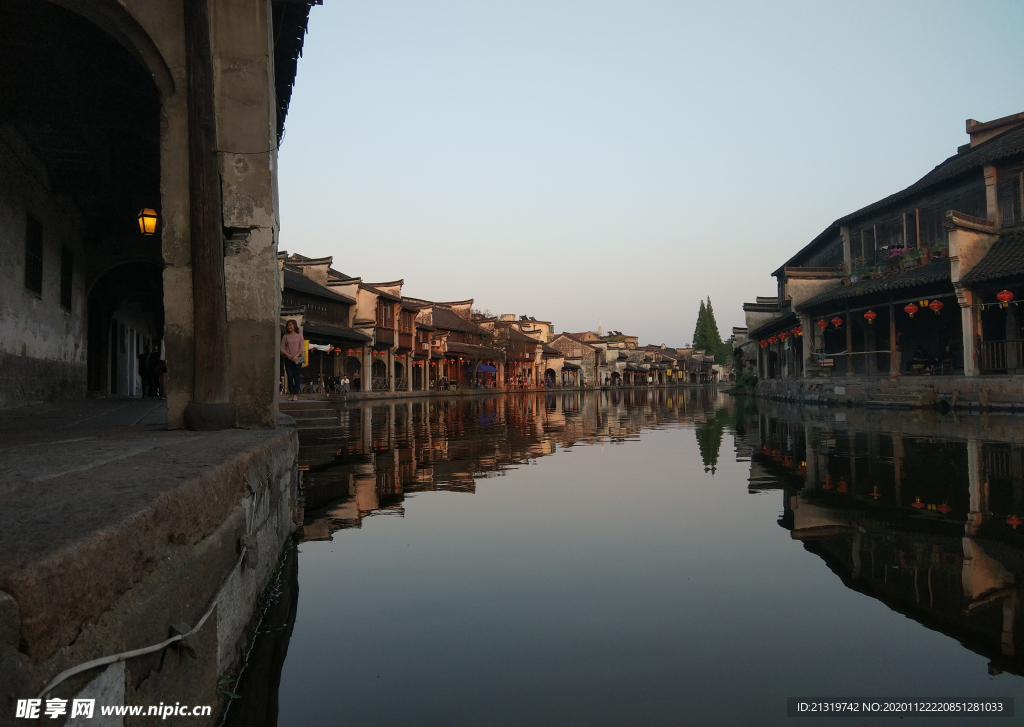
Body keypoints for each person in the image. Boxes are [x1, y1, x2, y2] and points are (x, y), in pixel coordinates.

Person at [280, 319, 303, 401]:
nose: (289, 327)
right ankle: (291, 394)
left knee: (297, 376)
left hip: (298, 359)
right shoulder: (285, 337)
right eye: (288, 325)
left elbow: (301, 349)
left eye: (291, 325)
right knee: (290, 376)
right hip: (288, 359)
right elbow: (282, 349)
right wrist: (288, 355)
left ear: (294, 326)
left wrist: (296, 356)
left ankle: (296, 394)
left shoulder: (300, 336)